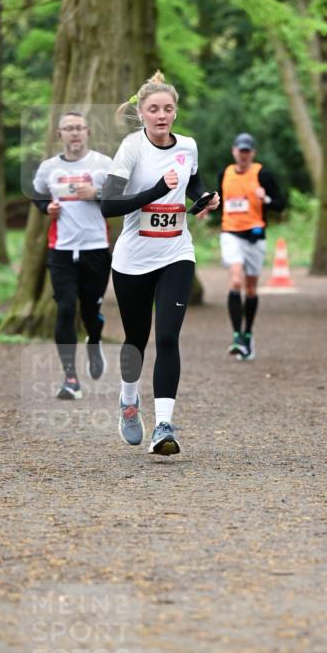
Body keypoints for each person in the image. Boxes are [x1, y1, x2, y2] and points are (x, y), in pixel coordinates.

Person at [101, 71, 219, 455]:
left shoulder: (188, 146)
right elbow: (108, 205)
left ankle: (163, 426)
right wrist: (156, 190)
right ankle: (128, 401)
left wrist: (204, 199)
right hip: (133, 258)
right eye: (154, 109)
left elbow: (193, 183)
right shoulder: (132, 148)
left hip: (176, 253)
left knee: (168, 337)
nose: (162, 114)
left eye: (168, 108)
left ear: (175, 112)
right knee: (136, 340)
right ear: (141, 112)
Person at [32, 111, 112, 399]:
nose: (74, 133)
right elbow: (38, 194)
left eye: (79, 128)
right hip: (62, 251)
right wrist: (46, 209)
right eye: (68, 128)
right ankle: (71, 379)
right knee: (66, 308)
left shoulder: (103, 164)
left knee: (90, 312)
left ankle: (95, 339)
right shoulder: (49, 168)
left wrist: (98, 193)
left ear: (88, 132)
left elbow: (122, 196)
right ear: (59, 135)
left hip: (96, 249)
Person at [215, 133, 284, 360]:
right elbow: (221, 204)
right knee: (236, 281)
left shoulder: (262, 174)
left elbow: (281, 204)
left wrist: (266, 200)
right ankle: (236, 336)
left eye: (247, 151)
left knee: (251, 289)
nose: (243, 155)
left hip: (255, 236)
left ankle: (247, 334)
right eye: (240, 151)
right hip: (231, 233)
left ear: (252, 153)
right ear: (234, 151)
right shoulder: (224, 174)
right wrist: (206, 208)